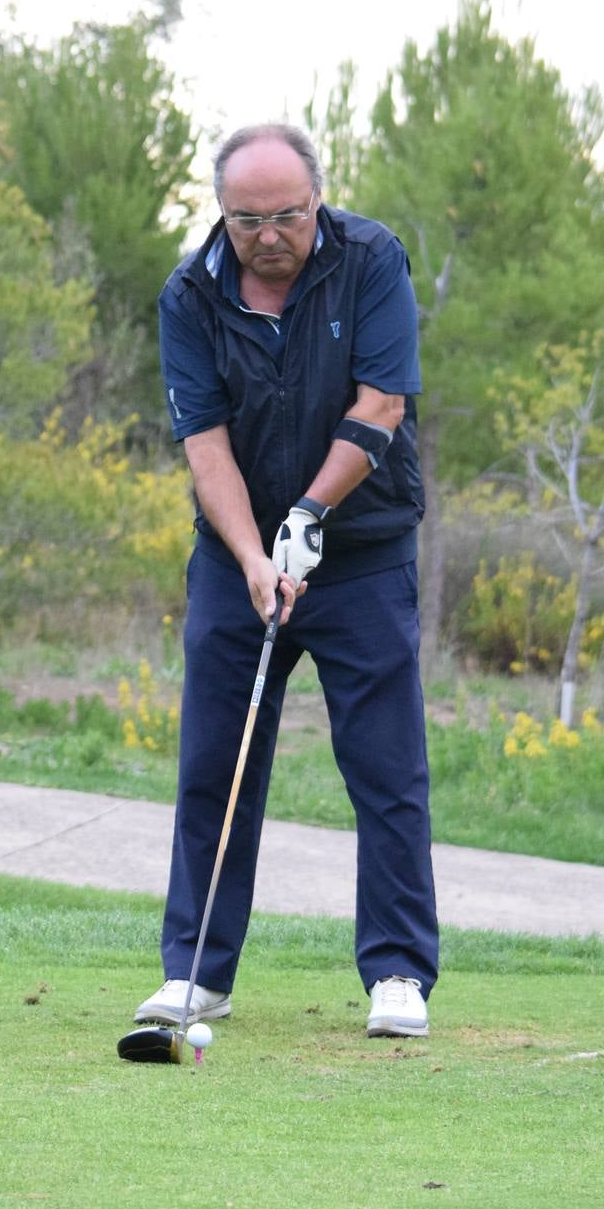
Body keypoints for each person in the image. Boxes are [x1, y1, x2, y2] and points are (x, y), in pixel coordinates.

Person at [137, 123, 439, 1039]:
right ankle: (197, 973)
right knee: (214, 767)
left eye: (287, 215)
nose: (269, 235)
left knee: (385, 770)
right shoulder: (188, 295)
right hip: (239, 562)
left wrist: (308, 516)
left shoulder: (371, 259)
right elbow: (205, 447)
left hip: (360, 553)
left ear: (317, 198)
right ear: (221, 214)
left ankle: (396, 974)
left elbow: (379, 404)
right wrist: (253, 557)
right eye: (246, 220)